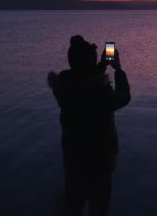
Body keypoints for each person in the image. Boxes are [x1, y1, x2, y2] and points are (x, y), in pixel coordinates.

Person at [47, 35, 131, 216]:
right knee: (98, 209)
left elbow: (82, 78)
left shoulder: (63, 87)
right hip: (100, 163)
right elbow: (124, 97)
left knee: (73, 207)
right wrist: (118, 69)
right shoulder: (101, 93)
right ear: (89, 62)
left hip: (73, 160)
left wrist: (101, 66)